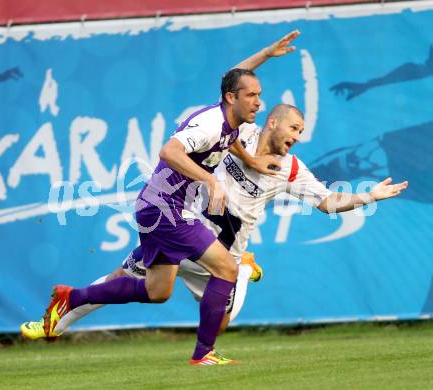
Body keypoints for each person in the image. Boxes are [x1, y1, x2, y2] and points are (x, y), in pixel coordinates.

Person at [22, 103, 408, 358]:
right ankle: (51, 323)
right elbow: (230, 98)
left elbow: (327, 203)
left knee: (215, 318)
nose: (297, 135)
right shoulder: (239, 133)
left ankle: (240, 271)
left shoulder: (291, 170)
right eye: (293, 126)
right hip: (185, 230)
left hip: (223, 252)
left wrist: (368, 196)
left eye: (301, 132)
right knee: (121, 279)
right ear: (271, 121)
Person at [36, 31, 302, 366]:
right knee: (226, 267)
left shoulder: (231, 119)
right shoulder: (209, 125)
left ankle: (71, 298)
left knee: (157, 291)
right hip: (166, 209)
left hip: (159, 208)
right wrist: (209, 180)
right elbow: (169, 150)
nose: (259, 102)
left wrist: (265, 53)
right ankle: (203, 354)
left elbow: (233, 81)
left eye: (260, 95)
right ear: (232, 98)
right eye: (252, 96)